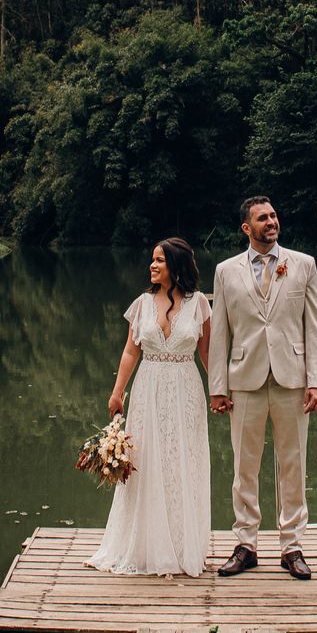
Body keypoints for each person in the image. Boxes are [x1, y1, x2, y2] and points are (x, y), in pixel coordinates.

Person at [207, 195, 317, 581]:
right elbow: (220, 332)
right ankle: (246, 545)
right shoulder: (226, 271)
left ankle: (292, 547)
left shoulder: (303, 264)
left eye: (274, 215)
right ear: (247, 227)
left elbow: (314, 327)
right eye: (262, 218)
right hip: (245, 379)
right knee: (245, 466)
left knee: (294, 463)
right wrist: (218, 386)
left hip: (292, 378)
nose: (271, 222)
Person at [85, 237, 214, 576]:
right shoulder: (142, 304)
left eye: (159, 260)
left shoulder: (199, 304)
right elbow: (131, 351)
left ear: (177, 264)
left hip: (186, 389)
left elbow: (207, 354)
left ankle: (182, 546)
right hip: (147, 388)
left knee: (182, 461)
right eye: (152, 260)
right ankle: (144, 546)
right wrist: (117, 392)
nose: (152, 265)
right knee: (146, 461)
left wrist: (220, 391)